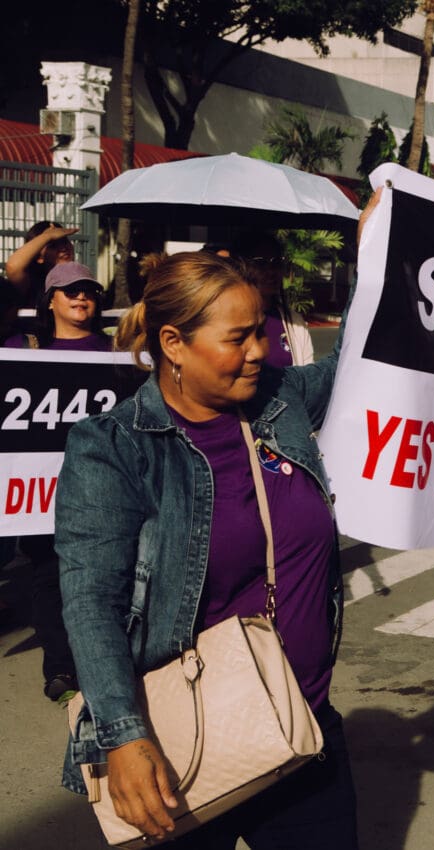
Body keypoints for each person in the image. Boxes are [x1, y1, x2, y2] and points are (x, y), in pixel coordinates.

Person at [55, 190, 378, 847]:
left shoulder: (278, 402)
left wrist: (377, 254)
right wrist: (123, 736)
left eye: (260, 329)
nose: (261, 350)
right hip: (181, 745)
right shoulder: (113, 447)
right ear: (174, 343)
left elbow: (359, 363)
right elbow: (91, 603)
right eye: (238, 337)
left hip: (305, 728)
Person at [1, 262, 111, 704]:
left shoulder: (117, 352)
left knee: (102, 576)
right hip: (37, 494)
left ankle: (103, 660)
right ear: (50, 300)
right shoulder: (18, 349)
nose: (80, 297)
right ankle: (60, 668)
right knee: (49, 576)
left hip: (101, 489)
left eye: (87, 290)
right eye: (69, 291)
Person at [226, 233, 315, 367]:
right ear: (240, 265)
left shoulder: (295, 321)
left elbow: (307, 373)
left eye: (276, 262)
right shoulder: (224, 318)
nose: (271, 271)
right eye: (260, 263)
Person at [5, 220, 79, 304]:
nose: (63, 248)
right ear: (39, 258)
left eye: (64, 242)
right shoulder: (31, 284)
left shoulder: (82, 278)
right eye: (53, 246)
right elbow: (13, 267)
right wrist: (47, 236)